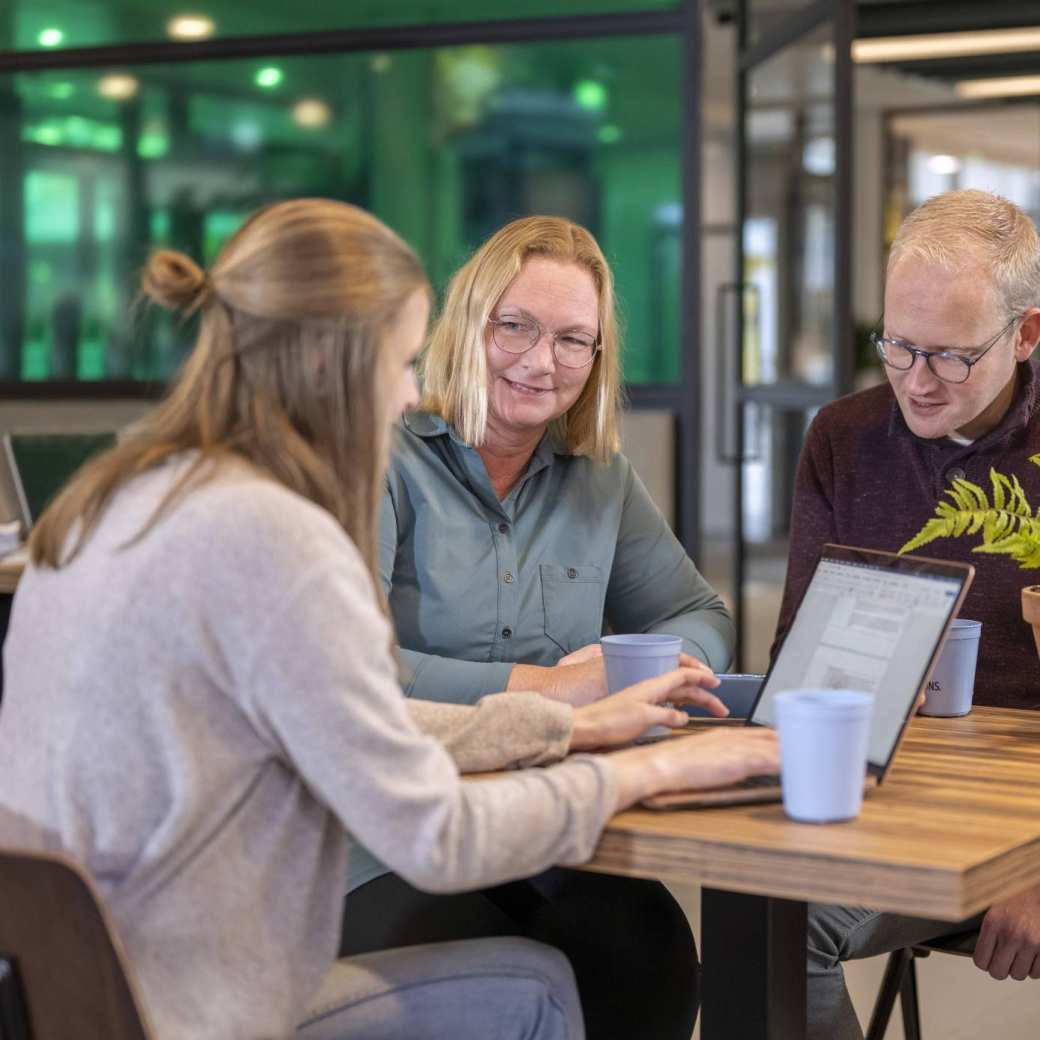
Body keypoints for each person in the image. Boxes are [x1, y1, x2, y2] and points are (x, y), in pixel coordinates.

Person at [0, 198, 779, 1040]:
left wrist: (564, 729)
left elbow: (352, 717)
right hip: (198, 1002)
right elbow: (434, 831)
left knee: (631, 941)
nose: (414, 389)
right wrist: (647, 773)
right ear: (333, 363)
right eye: (403, 359)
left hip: (68, 981)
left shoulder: (110, 497)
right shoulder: (277, 534)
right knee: (545, 983)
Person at [342, 215, 734, 1040]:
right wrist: (552, 691)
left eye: (572, 340)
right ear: (466, 325)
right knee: (493, 976)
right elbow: (355, 673)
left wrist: (646, 664)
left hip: (544, 823)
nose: (540, 360)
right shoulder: (378, 458)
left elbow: (699, 614)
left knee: (649, 949)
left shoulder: (600, 480)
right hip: (390, 832)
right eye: (514, 325)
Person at [773, 189, 1040, 1040]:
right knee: (775, 918)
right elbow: (796, 660)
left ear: (1026, 334)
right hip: (904, 807)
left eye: (953, 358)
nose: (916, 385)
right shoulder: (843, 438)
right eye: (897, 347)